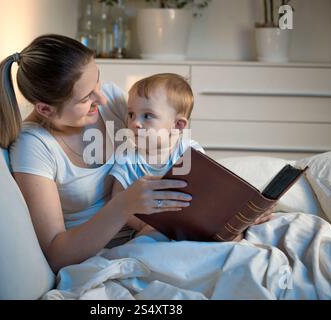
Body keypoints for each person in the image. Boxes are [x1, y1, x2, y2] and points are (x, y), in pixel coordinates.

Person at [0, 34, 193, 273]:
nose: (103, 98)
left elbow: (167, 143)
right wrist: (123, 205)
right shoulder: (33, 147)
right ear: (45, 109)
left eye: (97, 81)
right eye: (87, 97)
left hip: (157, 237)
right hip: (103, 259)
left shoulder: (113, 103)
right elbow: (57, 255)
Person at [108, 73, 272, 241]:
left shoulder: (189, 151)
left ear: (178, 125)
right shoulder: (127, 156)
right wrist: (144, 226)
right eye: (131, 114)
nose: (135, 123)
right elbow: (118, 201)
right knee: (147, 243)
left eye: (147, 116)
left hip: (192, 224)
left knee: (231, 237)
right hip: (153, 229)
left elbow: (211, 190)